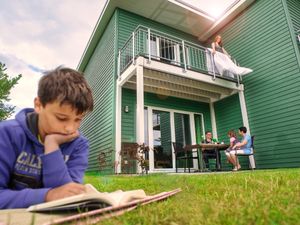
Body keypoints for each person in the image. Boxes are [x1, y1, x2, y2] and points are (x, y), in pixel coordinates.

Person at [0, 66, 94, 209]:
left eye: (78, 119)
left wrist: (52, 146)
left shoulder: (79, 144)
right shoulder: (6, 134)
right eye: (61, 118)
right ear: (38, 105)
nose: (70, 129)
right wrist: (47, 196)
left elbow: (67, 195)